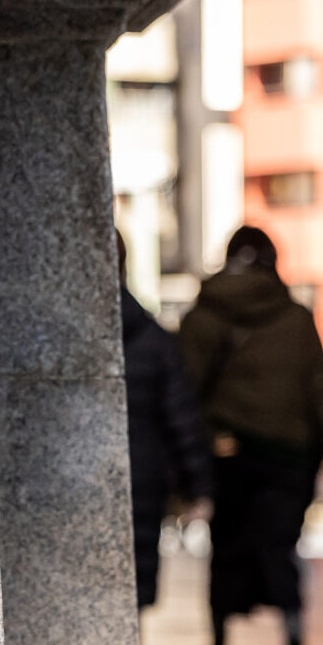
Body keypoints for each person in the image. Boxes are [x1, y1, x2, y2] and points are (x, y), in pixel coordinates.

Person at [178, 226, 323, 645]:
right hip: (288, 458)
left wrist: (206, 440)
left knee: (226, 552)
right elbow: (322, 387)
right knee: (279, 552)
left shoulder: (203, 316)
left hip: (229, 455)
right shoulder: (295, 318)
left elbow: (184, 392)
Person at [120, 242, 212, 611]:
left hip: (77, 478)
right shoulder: (154, 338)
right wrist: (197, 487)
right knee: (133, 593)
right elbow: (181, 418)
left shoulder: (57, 336)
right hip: (142, 475)